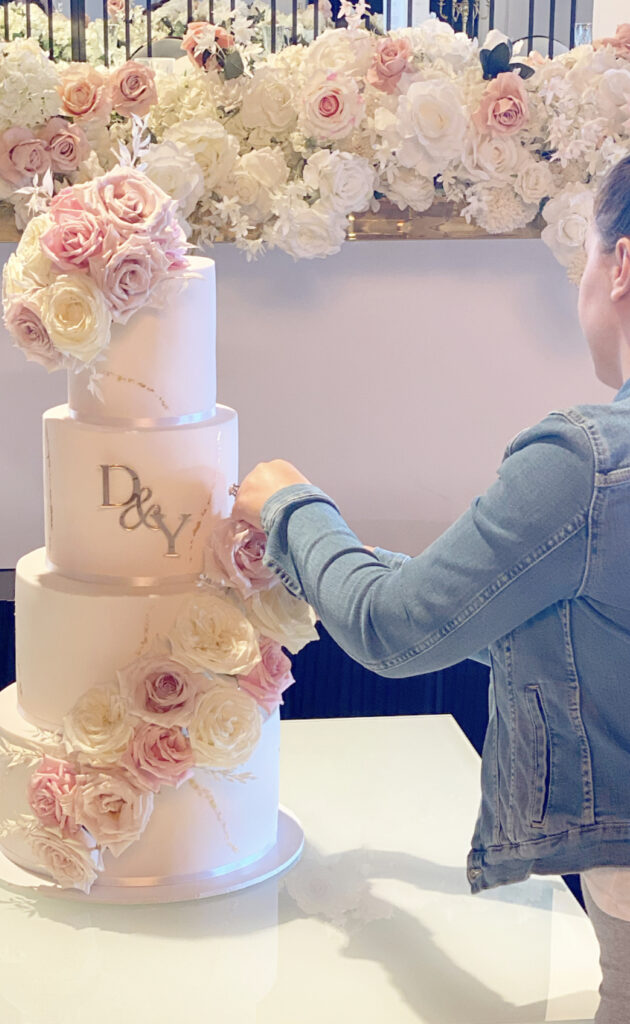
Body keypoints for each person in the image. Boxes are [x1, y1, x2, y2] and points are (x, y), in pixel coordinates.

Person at [232, 154, 630, 1023]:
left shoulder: (588, 466)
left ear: (623, 266)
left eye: (585, 259)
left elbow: (397, 631)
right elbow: (555, 617)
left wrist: (291, 509)